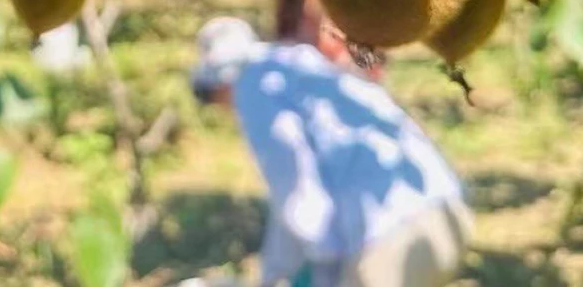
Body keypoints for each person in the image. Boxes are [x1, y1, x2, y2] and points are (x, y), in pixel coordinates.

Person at [186, 16, 472, 287]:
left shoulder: (253, 85)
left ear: (220, 83)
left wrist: (286, 273)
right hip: (445, 213)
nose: (224, 109)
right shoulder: (295, 62)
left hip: (389, 234)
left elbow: (296, 187)